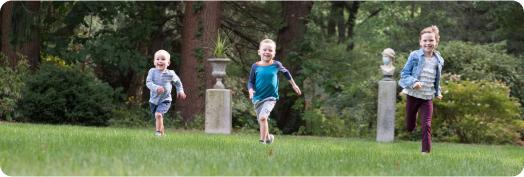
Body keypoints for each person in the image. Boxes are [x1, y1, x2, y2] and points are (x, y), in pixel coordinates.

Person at [399, 25, 444, 154]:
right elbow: (404, 74)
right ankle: (412, 122)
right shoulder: (414, 56)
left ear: (436, 42)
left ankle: (425, 152)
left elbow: (436, 79)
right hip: (413, 95)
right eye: (425, 40)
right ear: (420, 42)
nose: (428, 43)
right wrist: (414, 82)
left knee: (427, 125)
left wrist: (438, 92)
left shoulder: (439, 60)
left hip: (427, 97)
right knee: (410, 126)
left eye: (431, 40)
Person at [247, 39, 302, 144]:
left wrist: (294, 85)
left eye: (270, 50)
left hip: (271, 98)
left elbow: (286, 73)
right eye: (265, 50)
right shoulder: (255, 66)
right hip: (257, 98)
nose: (267, 52)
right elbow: (250, 81)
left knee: (263, 118)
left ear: (274, 53)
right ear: (259, 52)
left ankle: (261, 142)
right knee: (262, 120)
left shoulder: (276, 64)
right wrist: (250, 90)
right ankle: (268, 138)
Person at [146, 49, 187, 136]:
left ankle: (157, 133)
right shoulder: (152, 71)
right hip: (153, 100)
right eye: (157, 59)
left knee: (158, 115)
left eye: (163, 59)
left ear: (168, 63)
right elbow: (148, 83)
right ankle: (163, 134)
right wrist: (156, 88)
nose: (160, 61)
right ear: (154, 62)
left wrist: (180, 91)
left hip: (165, 100)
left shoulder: (171, 74)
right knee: (159, 117)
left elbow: (178, 83)